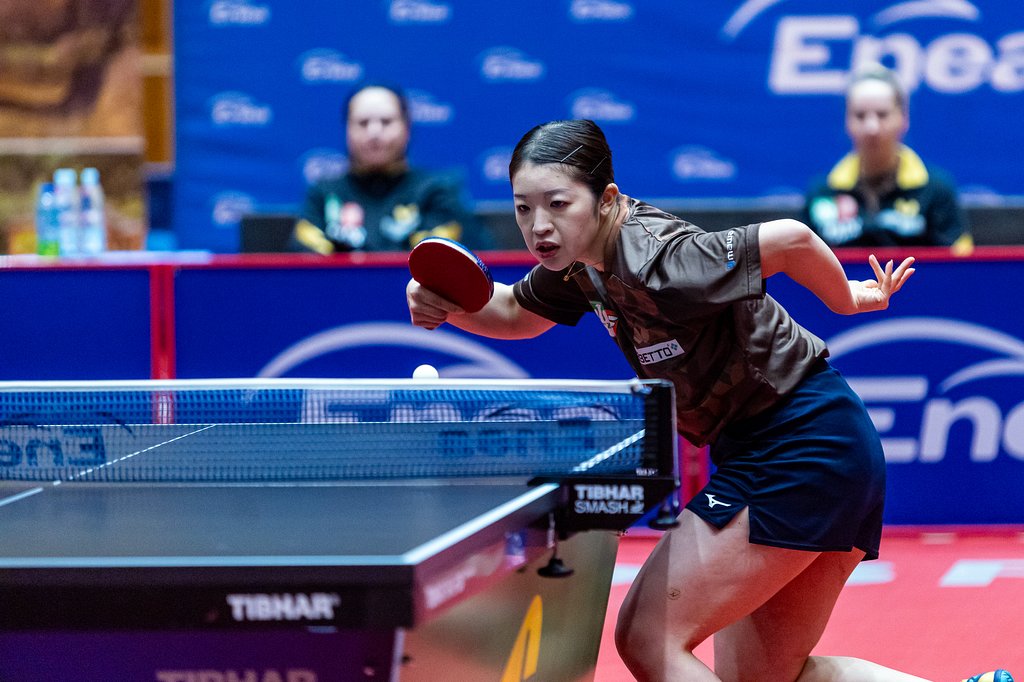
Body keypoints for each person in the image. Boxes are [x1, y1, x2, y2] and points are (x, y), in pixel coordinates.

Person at [406, 119, 1011, 682]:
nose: (539, 225)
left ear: (606, 199)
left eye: (557, 204)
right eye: (523, 207)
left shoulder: (661, 259)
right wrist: (444, 303)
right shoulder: (581, 262)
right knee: (766, 677)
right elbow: (514, 310)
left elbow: (792, 239)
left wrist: (847, 298)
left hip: (800, 443)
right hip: (807, 445)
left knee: (648, 636)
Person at [290, 82, 490, 254]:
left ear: (407, 128)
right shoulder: (324, 194)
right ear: (347, 130)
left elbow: (452, 261)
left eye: (386, 122)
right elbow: (304, 265)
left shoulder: (437, 190)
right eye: (363, 123)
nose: (374, 132)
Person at [802, 64, 973, 255]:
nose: (871, 128)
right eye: (860, 116)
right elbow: (801, 262)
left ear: (903, 119)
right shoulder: (821, 192)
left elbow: (960, 264)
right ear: (847, 121)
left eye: (882, 115)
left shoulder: (935, 189)